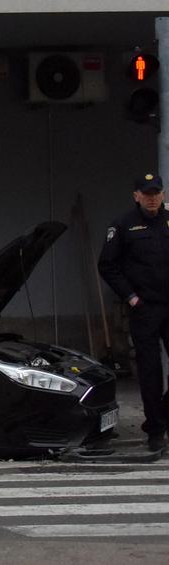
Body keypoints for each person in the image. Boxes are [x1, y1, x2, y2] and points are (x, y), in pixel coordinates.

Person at [97, 172, 169, 453]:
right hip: (145, 307)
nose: (152, 198)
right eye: (146, 193)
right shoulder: (123, 225)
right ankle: (155, 430)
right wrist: (131, 297)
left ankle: (163, 413)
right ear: (136, 196)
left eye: (156, 193)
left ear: (163, 194)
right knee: (151, 371)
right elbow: (107, 265)